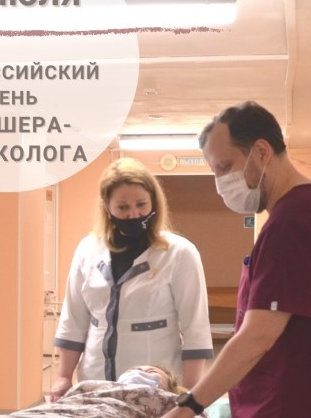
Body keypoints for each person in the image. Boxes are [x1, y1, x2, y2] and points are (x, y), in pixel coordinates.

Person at [163, 101, 311, 417]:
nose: (220, 184)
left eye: (225, 167)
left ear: (261, 152)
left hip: (288, 405)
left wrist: (188, 407)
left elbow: (257, 337)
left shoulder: (294, 222)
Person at [50, 157, 213, 402]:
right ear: (107, 208)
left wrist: (190, 394)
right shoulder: (87, 249)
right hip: (95, 380)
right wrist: (63, 376)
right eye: (122, 207)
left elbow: (195, 329)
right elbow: (74, 319)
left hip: (153, 384)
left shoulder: (179, 253)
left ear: (154, 202)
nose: (133, 214)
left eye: (141, 204)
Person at [6, 365, 201, 418]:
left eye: (150, 371)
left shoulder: (171, 401)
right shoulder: (96, 387)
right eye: (134, 369)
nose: (139, 372)